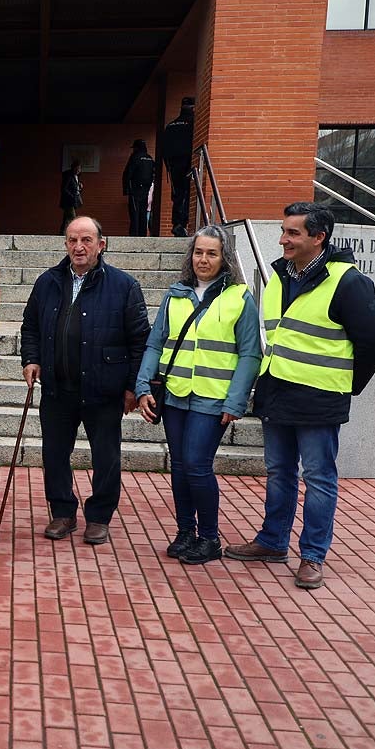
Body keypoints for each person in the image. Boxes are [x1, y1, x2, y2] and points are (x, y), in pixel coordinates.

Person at [225, 202, 375, 589]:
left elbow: (374, 343)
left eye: (293, 233)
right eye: (284, 231)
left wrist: (347, 385)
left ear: (319, 237)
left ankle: (313, 555)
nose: (283, 239)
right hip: (278, 392)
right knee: (279, 473)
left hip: (319, 399)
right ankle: (272, 541)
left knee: (318, 478)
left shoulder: (348, 282)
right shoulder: (279, 275)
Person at [134, 225, 261, 564]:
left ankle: (209, 538)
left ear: (225, 258)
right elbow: (155, 342)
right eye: (199, 252)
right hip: (175, 394)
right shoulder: (176, 294)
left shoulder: (239, 298)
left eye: (212, 253)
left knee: (196, 465)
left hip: (213, 398)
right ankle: (184, 532)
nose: (203, 259)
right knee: (179, 466)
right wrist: (143, 385)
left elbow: (250, 354)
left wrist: (236, 400)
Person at [21, 216, 150, 545]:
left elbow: (140, 341)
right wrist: (31, 359)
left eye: (86, 240)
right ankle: (62, 512)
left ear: (101, 245)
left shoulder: (124, 285)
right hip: (57, 388)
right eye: (72, 240)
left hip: (103, 389)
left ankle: (99, 517)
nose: (79, 247)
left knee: (106, 456)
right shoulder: (47, 282)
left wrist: (134, 386)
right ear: (65, 244)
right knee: (54, 453)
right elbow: (31, 327)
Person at [161, 97, 195, 237]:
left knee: (177, 194)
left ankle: (176, 223)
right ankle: (182, 223)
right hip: (188, 164)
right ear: (193, 108)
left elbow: (164, 148)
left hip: (173, 165)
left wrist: (168, 165)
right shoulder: (193, 123)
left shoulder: (170, 125)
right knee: (187, 194)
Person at [122, 140, 156, 237]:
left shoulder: (135, 157)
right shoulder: (150, 158)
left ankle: (134, 234)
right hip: (146, 189)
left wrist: (126, 189)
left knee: (134, 212)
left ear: (136, 148)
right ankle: (142, 234)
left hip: (135, 189)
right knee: (143, 212)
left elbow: (127, 173)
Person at [59, 160, 83, 235]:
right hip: (68, 201)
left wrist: (79, 187)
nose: (79, 170)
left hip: (73, 201)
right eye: (78, 168)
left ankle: (61, 234)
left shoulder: (76, 177)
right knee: (73, 218)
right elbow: (64, 189)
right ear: (74, 168)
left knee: (66, 219)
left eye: (80, 169)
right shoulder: (69, 176)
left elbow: (74, 188)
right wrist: (72, 196)